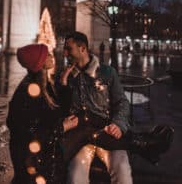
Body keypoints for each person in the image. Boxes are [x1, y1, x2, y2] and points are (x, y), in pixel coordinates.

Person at [58, 31, 174, 184]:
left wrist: (118, 124)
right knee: (75, 176)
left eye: (69, 48)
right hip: (82, 140)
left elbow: (122, 102)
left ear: (83, 49)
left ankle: (142, 144)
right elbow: (61, 109)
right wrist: (63, 84)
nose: (65, 53)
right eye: (65, 49)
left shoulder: (107, 72)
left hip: (109, 133)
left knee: (122, 172)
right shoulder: (65, 76)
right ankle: (143, 145)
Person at [6, 44, 78, 184]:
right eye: (47, 55)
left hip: (41, 160)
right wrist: (62, 127)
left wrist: (63, 80)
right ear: (39, 63)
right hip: (31, 163)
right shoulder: (28, 92)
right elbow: (30, 133)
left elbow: (59, 111)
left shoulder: (42, 84)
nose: (52, 56)